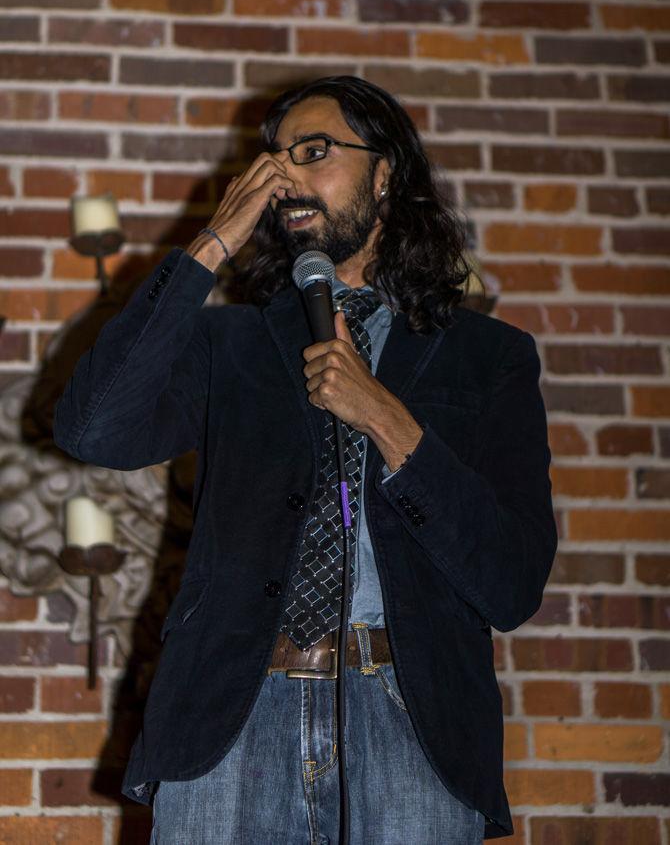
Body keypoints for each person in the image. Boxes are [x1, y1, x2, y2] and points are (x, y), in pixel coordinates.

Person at [54, 76, 557, 844]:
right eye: (274, 158)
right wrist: (211, 242)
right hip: (233, 718)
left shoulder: (490, 358)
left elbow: (513, 583)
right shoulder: (235, 344)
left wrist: (388, 419)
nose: (287, 175)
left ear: (385, 173)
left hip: (411, 727)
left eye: (314, 152)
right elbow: (93, 428)